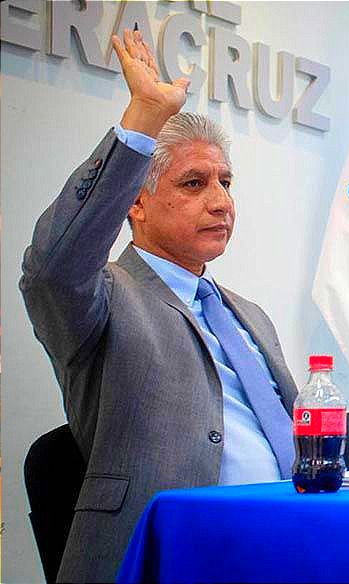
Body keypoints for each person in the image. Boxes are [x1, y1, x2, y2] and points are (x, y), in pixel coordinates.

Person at [20, 30, 297, 582]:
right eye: (194, 183)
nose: (221, 202)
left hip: (288, 543)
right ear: (136, 204)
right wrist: (143, 120)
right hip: (168, 557)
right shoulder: (103, 296)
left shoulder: (250, 317)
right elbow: (52, 270)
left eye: (225, 182)